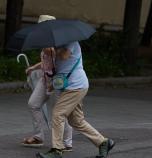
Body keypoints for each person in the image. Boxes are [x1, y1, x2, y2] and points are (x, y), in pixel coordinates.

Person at [36, 42, 115, 158]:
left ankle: (56, 150)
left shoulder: (71, 41)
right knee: (76, 121)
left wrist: (52, 51)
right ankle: (103, 142)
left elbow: (64, 56)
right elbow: (61, 67)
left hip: (75, 86)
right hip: (71, 86)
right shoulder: (58, 45)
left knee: (58, 114)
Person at [21, 15, 73, 152]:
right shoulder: (45, 41)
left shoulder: (57, 41)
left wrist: (52, 51)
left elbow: (61, 61)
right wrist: (33, 67)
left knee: (59, 112)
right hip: (45, 80)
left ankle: (67, 142)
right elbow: (46, 63)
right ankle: (39, 136)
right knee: (33, 104)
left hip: (57, 82)